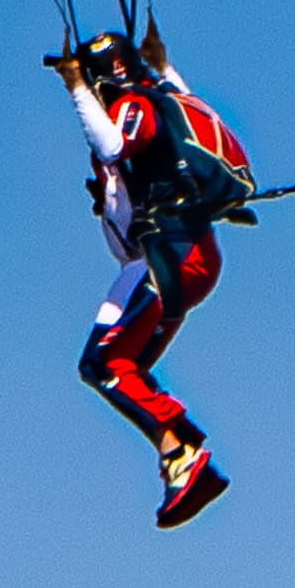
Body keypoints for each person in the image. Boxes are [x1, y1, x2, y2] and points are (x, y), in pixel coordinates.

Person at [56, 27, 254, 526]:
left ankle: (179, 453)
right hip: (191, 260)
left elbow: (114, 145)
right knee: (125, 367)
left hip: (167, 258)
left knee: (102, 365)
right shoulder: (163, 97)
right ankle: (183, 461)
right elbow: (182, 102)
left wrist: (75, 88)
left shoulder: (132, 105)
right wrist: (161, 64)